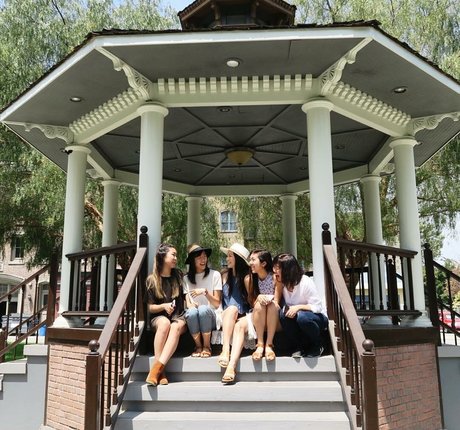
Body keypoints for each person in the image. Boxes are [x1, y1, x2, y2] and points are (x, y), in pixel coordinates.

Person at [145, 243, 187, 386]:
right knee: (164, 323)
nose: (176, 258)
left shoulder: (179, 276)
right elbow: (150, 308)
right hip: (159, 318)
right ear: (163, 256)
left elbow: (186, 295)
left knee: (173, 326)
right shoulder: (152, 280)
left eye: (176, 255)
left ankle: (156, 371)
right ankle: (161, 371)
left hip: (178, 317)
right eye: (173, 255)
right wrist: (163, 306)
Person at [273, 253, 328, 358]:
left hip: (316, 318)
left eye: (278, 268)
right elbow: (276, 301)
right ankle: (299, 346)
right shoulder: (282, 284)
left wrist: (298, 307)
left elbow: (317, 307)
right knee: (283, 315)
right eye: (274, 267)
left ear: (287, 269)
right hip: (297, 319)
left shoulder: (305, 281)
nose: (274, 271)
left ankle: (318, 344)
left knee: (302, 317)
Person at [218, 243, 251, 384]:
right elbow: (219, 300)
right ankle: (225, 349)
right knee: (232, 309)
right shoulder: (224, 275)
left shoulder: (247, 277)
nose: (227, 259)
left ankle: (231, 366)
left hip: (243, 315)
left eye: (230, 256)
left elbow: (250, 301)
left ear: (238, 259)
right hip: (226, 314)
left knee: (239, 325)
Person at [183, 243, 222, 358]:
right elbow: (188, 302)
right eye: (199, 257)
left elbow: (217, 303)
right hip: (194, 316)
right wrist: (191, 305)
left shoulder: (215, 275)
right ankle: (198, 346)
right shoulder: (186, 279)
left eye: (204, 256)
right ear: (192, 261)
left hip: (211, 315)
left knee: (203, 309)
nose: (203, 260)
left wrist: (205, 292)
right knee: (191, 312)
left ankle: (207, 346)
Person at [249, 249, 279, 361]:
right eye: (250, 260)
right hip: (258, 315)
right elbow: (252, 303)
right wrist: (258, 298)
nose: (250, 263)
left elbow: (277, 301)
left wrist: (269, 300)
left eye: (253, 260)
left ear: (263, 263)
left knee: (272, 305)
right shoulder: (250, 279)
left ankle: (269, 344)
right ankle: (260, 344)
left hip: (273, 314)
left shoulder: (275, 278)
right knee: (258, 305)